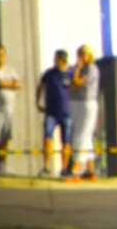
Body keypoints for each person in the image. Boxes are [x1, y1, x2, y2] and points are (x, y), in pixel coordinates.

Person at [36, 49, 73, 178]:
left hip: (66, 113)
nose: (55, 61)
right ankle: (46, 167)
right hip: (51, 112)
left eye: (58, 59)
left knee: (66, 141)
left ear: (63, 60)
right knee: (47, 138)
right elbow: (40, 87)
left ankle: (64, 167)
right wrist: (38, 103)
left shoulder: (70, 73)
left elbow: (77, 84)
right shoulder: (49, 74)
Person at [0, 46, 21, 175]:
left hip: (9, 109)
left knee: (5, 138)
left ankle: (2, 165)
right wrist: (10, 83)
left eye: (2, 55)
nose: (0, 57)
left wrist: (9, 83)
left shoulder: (10, 70)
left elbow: (18, 84)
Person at [67, 45, 100, 181]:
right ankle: (90, 169)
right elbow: (69, 85)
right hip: (76, 103)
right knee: (85, 135)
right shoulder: (76, 68)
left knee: (81, 134)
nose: (81, 57)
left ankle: (76, 168)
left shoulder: (91, 69)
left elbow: (76, 82)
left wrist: (77, 69)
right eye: (79, 54)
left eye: (84, 54)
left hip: (86, 103)